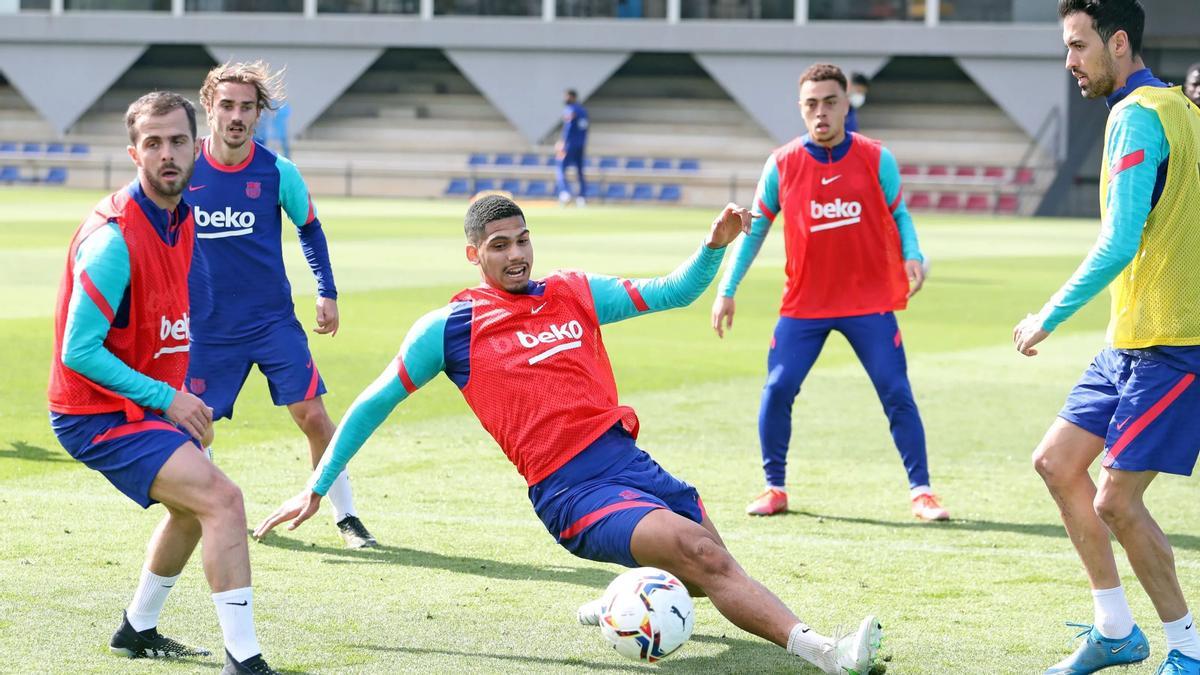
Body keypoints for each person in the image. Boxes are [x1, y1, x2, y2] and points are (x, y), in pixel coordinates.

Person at [253, 195, 884, 674]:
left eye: (524, 240)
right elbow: (369, 406)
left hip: (629, 463)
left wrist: (713, 245)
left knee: (703, 577)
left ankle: (617, 604)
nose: (517, 254)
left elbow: (674, 291)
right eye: (499, 245)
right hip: (569, 492)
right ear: (474, 255)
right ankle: (829, 653)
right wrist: (317, 487)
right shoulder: (448, 329)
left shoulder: (572, 292)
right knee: (703, 555)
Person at [47, 91, 277, 675]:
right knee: (223, 500)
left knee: (192, 507)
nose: (167, 154)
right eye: (153, 144)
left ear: (193, 146)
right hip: (94, 413)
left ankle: (137, 628)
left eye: (177, 141)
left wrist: (187, 390)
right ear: (134, 153)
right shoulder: (113, 240)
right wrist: (167, 397)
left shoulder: (182, 216)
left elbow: (181, 310)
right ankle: (244, 662)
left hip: (143, 402)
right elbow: (78, 353)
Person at [1017, 2, 1200, 673]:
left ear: (1118, 42)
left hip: (1173, 346)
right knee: (1057, 463)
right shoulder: (1179, 106)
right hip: (1129, 342)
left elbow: (1120, 240)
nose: (1070, 61)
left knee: (1116, 499)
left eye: (1078, 45)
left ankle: (1188, 648)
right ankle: (1115, 629)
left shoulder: (1138, 116)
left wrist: (1046, 316)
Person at [711, 63, 948, 522]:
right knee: (777, 388)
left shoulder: (877, 157)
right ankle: (774, 487)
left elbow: (901, 216)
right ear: (801, 110)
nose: (821, 113)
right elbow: (753, 232)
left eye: (830, 102)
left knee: (896, 391)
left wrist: (912, 253)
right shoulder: (781, 164)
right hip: (806, 305)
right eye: (811, 104)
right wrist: (727, 288)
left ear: (846, 104)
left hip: (868, 302)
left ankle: (922, 492)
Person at [188, 61, 377, 549]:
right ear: (209, 107)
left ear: (259, 114)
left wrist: (327, 290)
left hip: (271, 321)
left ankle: (347, 516)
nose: (236, 115)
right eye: (227, 105)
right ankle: (210, 512)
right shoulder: (183, 169)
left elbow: (309, 226)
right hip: (206, 327)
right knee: (193, 425)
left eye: (246, 107)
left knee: (313, 416)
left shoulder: (277, 171)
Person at [555, 88, 589, 206]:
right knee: (580, 171)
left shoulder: (570, 110)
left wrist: (563, 142)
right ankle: (582, 198)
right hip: (580, 145)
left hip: (569, 145)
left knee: (560, 167)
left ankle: (565, 193)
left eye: (567, 96)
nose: (565, 99)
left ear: (573, 97)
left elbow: (568, 128)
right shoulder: (583, 110)